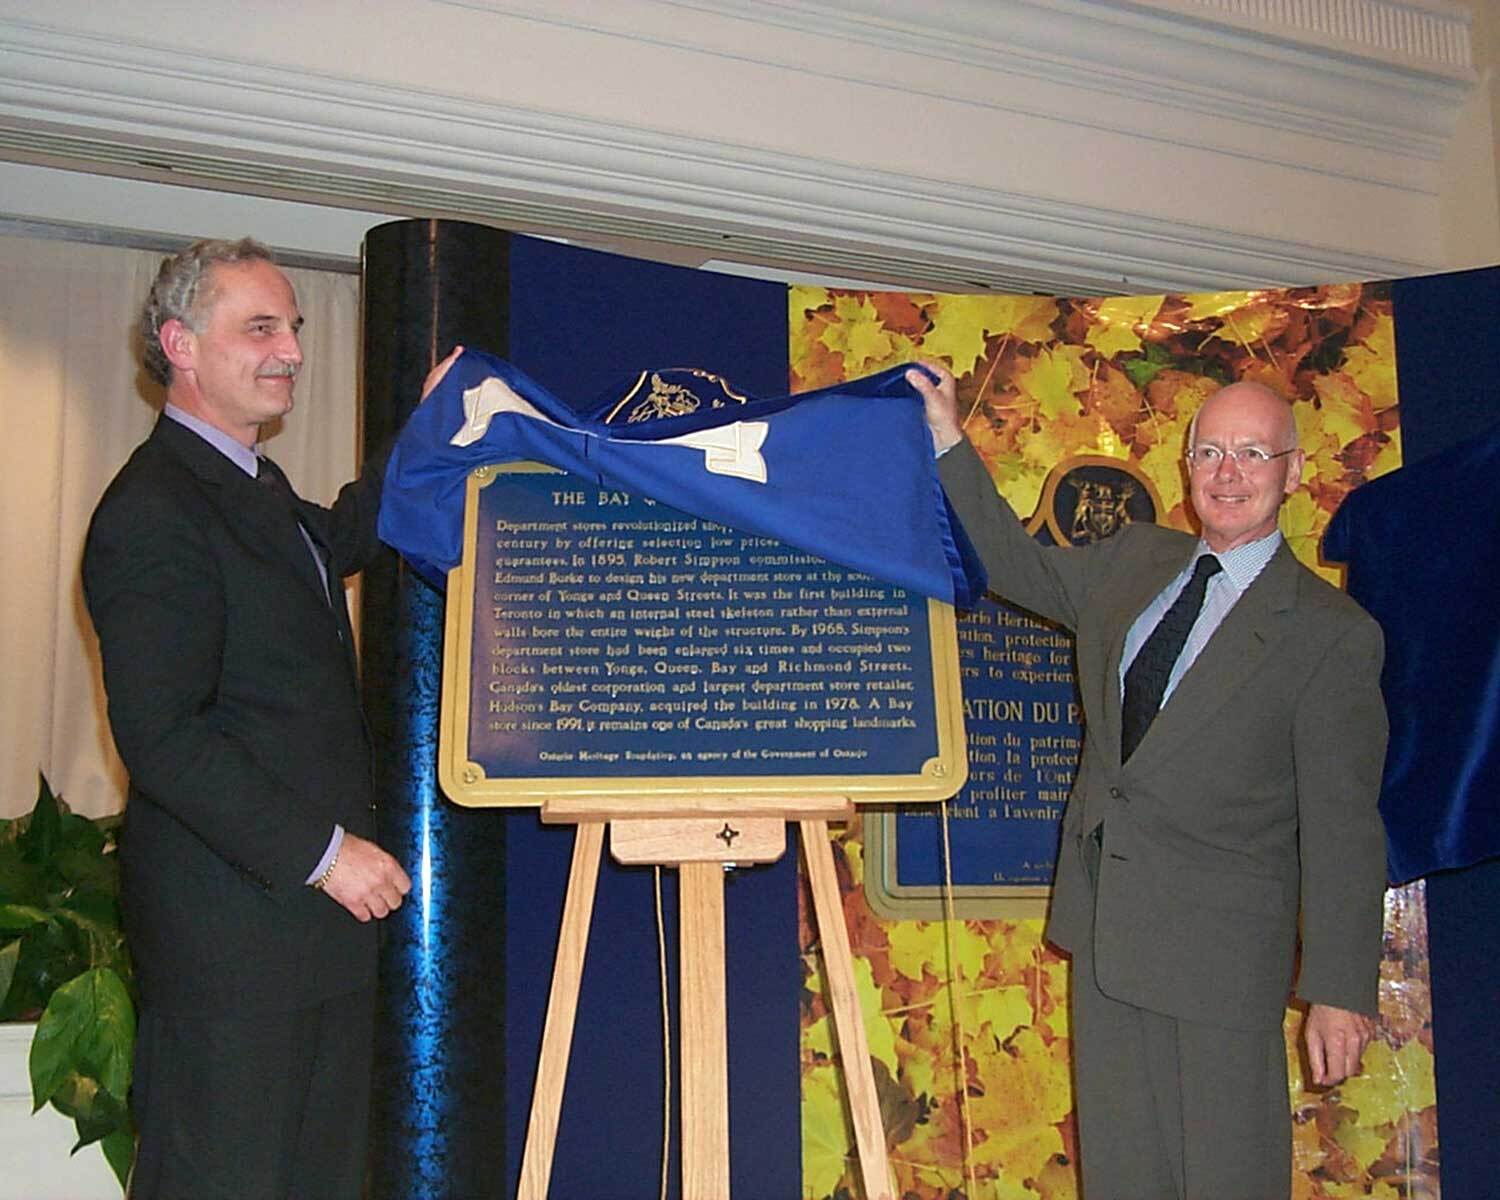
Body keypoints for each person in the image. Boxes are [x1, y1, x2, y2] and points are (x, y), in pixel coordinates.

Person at [908, 363, 1388, 1200]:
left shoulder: (1330, 633)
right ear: (1186, 465)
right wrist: (949, 437)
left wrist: (1339, 991)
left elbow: (1344, 826)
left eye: (1251, 453)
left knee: (1226, 1176)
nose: (1228, 473)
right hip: (1106, 934)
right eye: (1210, 451)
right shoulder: (1136, 560)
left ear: (1293, 472)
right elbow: (1016, 565)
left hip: (1223, 959)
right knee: (1124, 1176)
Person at [83, 238, 454, 1198]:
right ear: (181, 344)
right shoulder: (153, 509)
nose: (290, 348)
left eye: (293, 326)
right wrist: (328, 854)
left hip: (308, 943)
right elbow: (162, 737)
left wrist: (427, 431)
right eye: (260, 327)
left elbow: (338, 537)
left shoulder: (257, 489)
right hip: (233, 956)